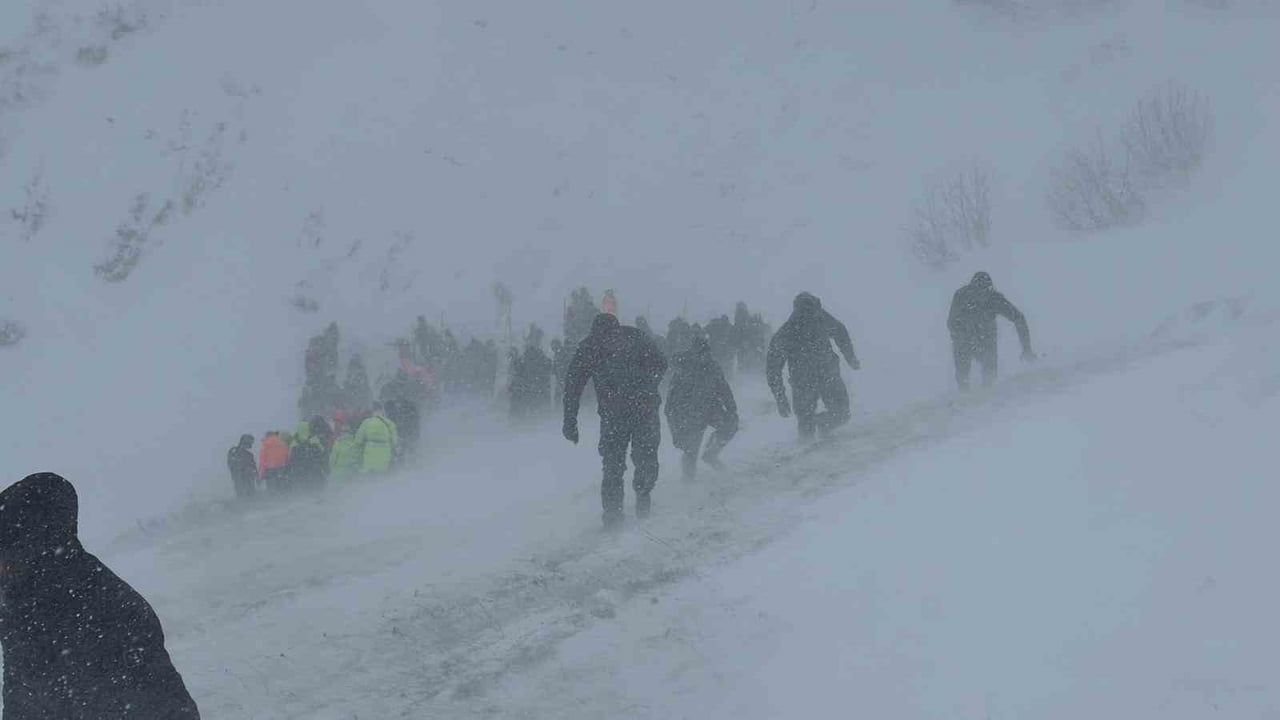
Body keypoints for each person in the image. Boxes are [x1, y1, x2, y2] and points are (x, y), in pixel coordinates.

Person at [0, 473, 201, 718]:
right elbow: (19, 691)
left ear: (39, 545)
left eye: (6, 551)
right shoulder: (17, 604)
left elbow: (164, 704)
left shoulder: (110, 607)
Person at [563, 313, 668, 528]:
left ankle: (633, 502)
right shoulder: (596, 345)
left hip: (633, 411)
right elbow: (573, 384)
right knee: (620, 464)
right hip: (626, 413)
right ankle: (616, 513)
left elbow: (660, 364)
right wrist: (569, 420)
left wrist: (647, 385)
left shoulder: (603, 343)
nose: (609, 343)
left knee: (630, 462)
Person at [766, 292, 860, 440]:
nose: (807, 315)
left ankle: (822, 425)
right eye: (804, 311)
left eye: (810, 310)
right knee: (807, 422)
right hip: (805, 381)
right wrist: (780, 398)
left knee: (841, 414)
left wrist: (851, 357)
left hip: (826, 376)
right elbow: (773, 368)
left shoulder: (821, 319)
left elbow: (840, 332)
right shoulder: (788, 332)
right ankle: (807, 449)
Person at [665, 336, 739, 481]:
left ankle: (710, 454)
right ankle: (688, 481)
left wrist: (732, 409)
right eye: (701, 353)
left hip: (711, 408)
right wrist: (675, 427)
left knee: (729, 426)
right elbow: (671, 399)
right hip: (690, 414)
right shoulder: (683, 368)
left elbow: (723, 387)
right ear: (694, 352)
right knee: (691, 451)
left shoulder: (712, 366)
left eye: (707, 353)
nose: (705, 356)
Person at [948, 271, 1035, 390]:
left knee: (990, 377)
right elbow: (951, 322)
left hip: (986, 340)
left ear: (989, 290)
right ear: (971, 288)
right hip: (964, 339)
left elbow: (1018, 318)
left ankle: (989, 397)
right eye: (978, 291)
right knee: (963, 377)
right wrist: (962, 337)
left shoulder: (995, 299)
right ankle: (964, 396)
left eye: (985, 291)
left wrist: (1027, 348)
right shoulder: (961, 296)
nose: (981, 295)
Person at [354, 403, 399, 475]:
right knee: (382, 479)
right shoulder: (390, 423)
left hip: (369, 456)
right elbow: (394, 442)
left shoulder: (366, 422)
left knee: (370, 480)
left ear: (372, 411)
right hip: (385, 456)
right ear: (382, 411)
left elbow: (358, 441)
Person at [226, 433, 258, 500]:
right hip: (242, 477)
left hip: (242, 477)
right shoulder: (245, 454)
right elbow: (253, 467)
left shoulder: (235, 451)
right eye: (250, 443)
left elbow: (230, 464)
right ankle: (246, 504)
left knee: (244, 493)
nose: (251, 445)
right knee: (245, 493)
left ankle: (245, 504)